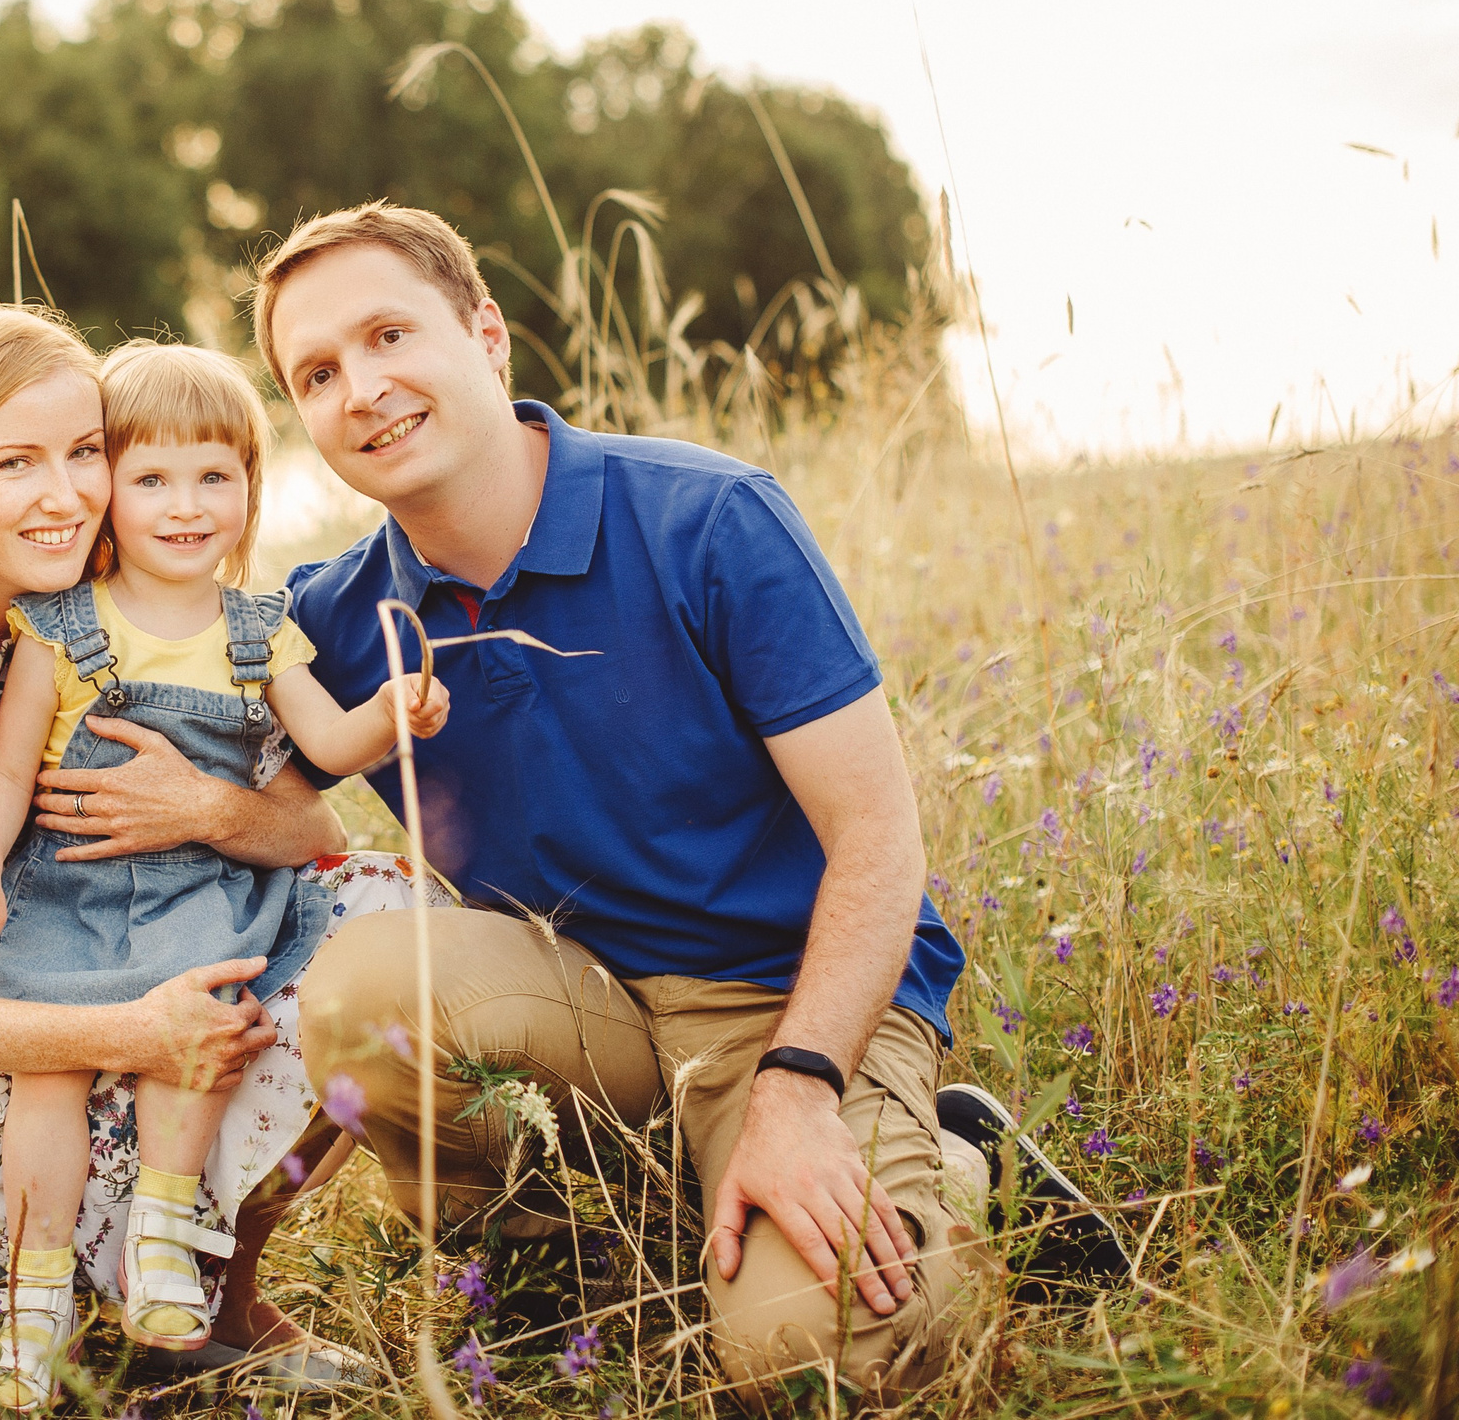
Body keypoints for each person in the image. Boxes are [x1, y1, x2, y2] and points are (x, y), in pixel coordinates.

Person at [253, 203, 1122, 1394]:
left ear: (487, 337)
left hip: (788, 999)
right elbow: (275, 808)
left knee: (813, 1363)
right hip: (574, 1000)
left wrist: (803, 1084)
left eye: (389, 335)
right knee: (363, 986)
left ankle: (960, 1177)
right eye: (317, 371)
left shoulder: (705, 520)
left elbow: (876, 834)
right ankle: (553, 1259)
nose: (361, 387)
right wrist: (173, 807)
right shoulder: (340, 618)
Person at [0, 304, 426, 1394]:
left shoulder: (148, 611)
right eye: (14, 462)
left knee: (386, 919)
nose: (66, 494)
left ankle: (213, 1294)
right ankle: (59, 1303)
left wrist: (204, 812)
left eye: (85, 454)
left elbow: (311, 831)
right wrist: (126, 1029)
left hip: (149, 939)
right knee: (12, 1328)